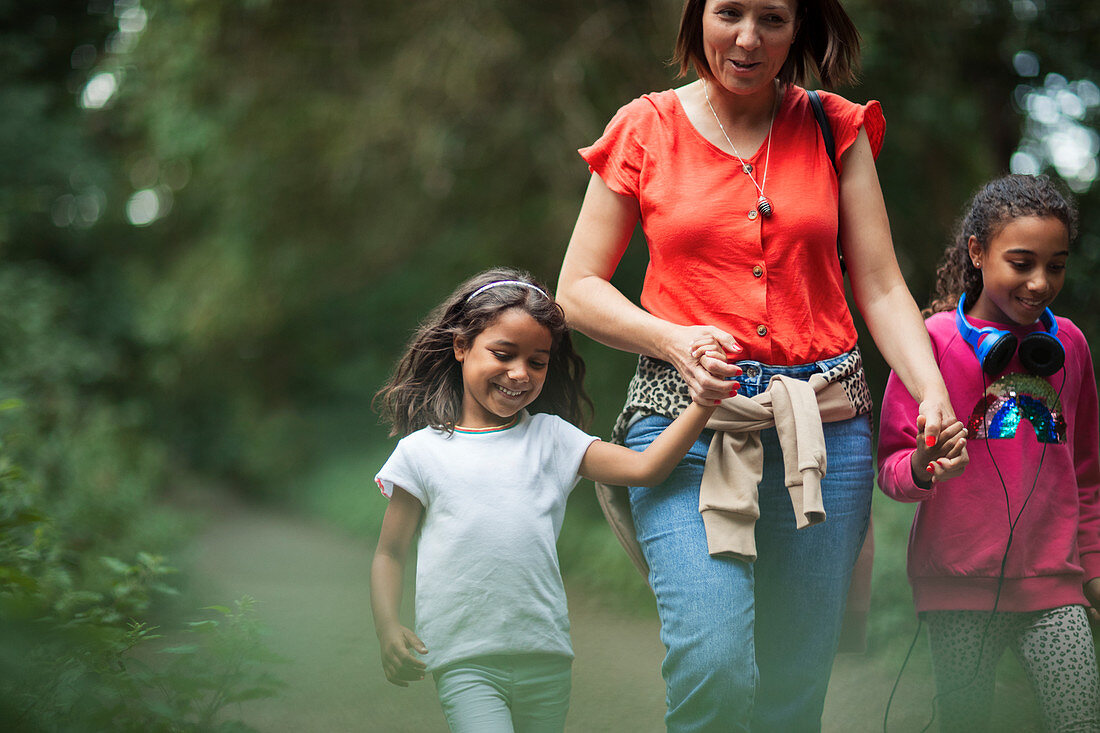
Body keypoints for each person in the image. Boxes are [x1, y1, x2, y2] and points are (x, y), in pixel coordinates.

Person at [556, 1, 960, 730]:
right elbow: (577, 290)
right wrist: (675, 339)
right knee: (713, 658)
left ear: (800, 27)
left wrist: (930, 386)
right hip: (684, 420)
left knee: (794, 680)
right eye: (729, 12)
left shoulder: (834, 126)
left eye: (772, 18)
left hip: (824, 429)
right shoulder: (645, 126)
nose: (747, 38)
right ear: (697, 14)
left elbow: (878, 282)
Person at [369, 267, 725, 733]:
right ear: (461, 347)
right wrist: (387, 627)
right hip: (464, 660)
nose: (520, 373)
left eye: (537, 362)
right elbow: (389, 553)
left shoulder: (552, 439)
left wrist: (704, 402)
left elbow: (644, 469)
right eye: (503, 353)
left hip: (546, 654)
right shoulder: (422, 453)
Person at [877, 174, 1100, 733]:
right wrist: (923, 469)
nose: (1040, 282)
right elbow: (890, 467)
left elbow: (1088, 475)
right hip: (957, 591)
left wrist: (1093, 571)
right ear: (977, 252)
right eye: (1021, 263)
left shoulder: (1069, 346)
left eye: (1056, 264)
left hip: (1055, 586)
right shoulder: (927, 343)